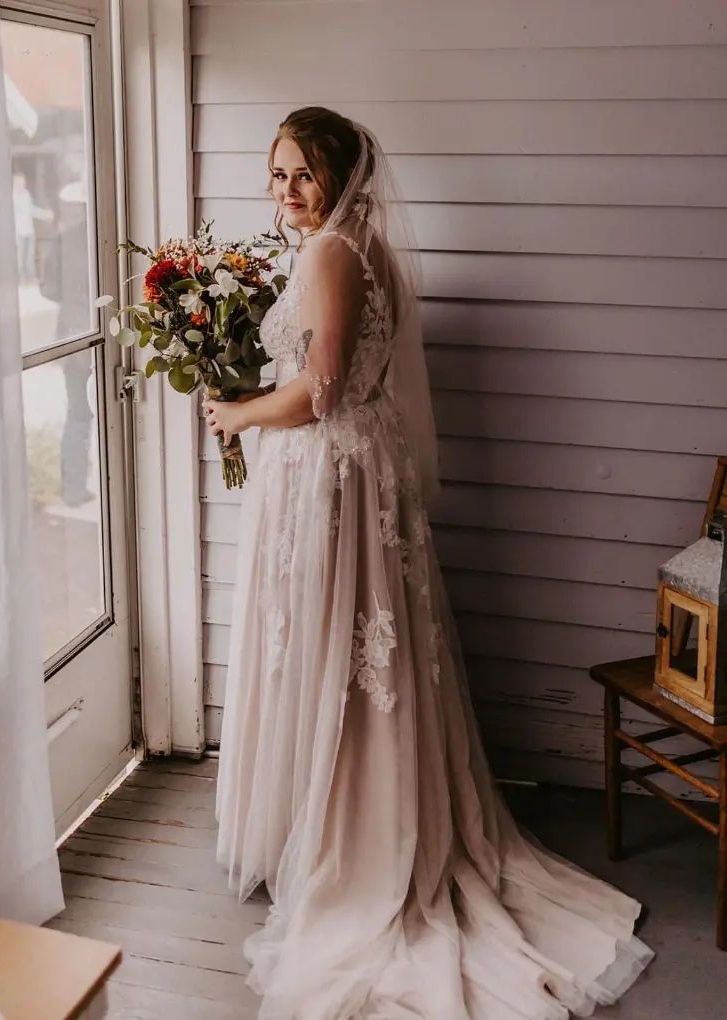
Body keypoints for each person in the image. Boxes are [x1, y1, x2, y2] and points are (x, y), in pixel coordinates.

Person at [206, 106, 654, 1019]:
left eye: (302, 175)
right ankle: (340, 818)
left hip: (329, 479)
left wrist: (238, 414)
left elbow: (325, 390)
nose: (286, 192)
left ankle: (351, 838)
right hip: (351, 476)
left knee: (334, 654)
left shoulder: (334, 253)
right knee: (356, 656)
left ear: (341, 176)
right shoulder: (368, 245)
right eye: (277, 173)